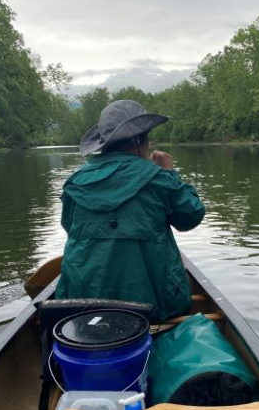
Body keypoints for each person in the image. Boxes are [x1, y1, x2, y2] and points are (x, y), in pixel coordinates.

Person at [55, 100, 205, 322]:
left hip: (81, 306)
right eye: (147, 137)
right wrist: (170, 174)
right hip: (152, 307)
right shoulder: (159, 179)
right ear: (137, 139)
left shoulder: (75, 183)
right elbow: (190, 217)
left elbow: (69, 227)